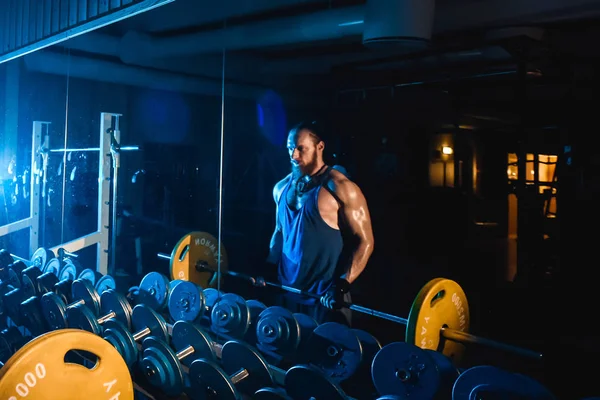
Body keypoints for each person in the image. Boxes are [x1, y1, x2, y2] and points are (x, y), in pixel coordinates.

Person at [261, 121, 374, 326]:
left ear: (320, 147)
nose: (293, 155)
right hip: (287, 294)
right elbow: (280, 232)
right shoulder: (281, 188)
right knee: (286, 355)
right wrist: (269, 266)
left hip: (325, 299)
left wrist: (342, 284)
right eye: (290, 148)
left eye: (300, 149)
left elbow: (365, 241)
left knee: (325, 355)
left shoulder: (341, 188)